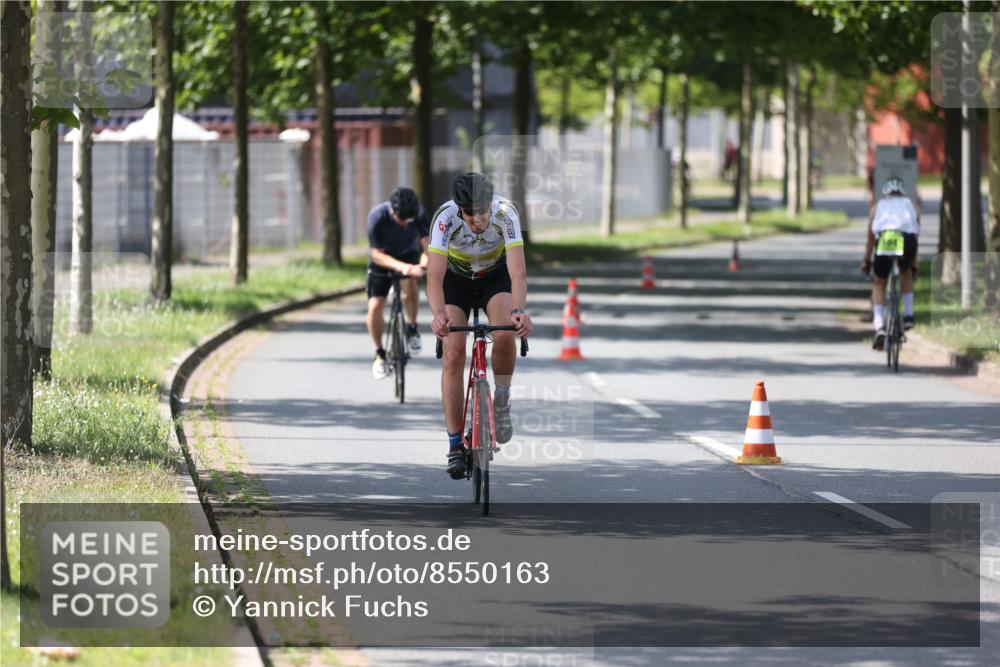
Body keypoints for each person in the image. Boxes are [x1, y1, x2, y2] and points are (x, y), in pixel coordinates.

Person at [426, 173, 532, 479]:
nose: (477, 219)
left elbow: (518, 274)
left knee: (504, 332)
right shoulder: (444, 218)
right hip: (455, 281)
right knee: (453, 353)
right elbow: (433, 277)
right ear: (459, 209)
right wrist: (438, 314)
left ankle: (502, 398)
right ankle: (454, 444)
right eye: (470, 213)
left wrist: (519, 311)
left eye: (482, 211)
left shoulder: (506, 214)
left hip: (494, 279)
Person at [366, 187, 430, 379]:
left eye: (408, 221)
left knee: (410, 286)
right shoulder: (377, 216)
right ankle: (379, 353)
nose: (405, 223)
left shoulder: (419, 214)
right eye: (401, 219)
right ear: (392, 211)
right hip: (383, 258)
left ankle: (412, 328)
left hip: (408, 254)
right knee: (375, 305)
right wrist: (403, 268)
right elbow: (376, 254)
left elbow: (428, 248)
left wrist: (422, 266)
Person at [861, 177, 920, 351]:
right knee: (906, 272)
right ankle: (908, 315)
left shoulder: (877, 207)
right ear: (902, 193)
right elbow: (915, 233)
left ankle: (879, 325)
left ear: (886, 194)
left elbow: (871, 238)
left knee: (879, 283)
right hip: (906, 240)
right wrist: (914, 260)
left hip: (885, 239)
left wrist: (866, 260)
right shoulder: (912, 205)